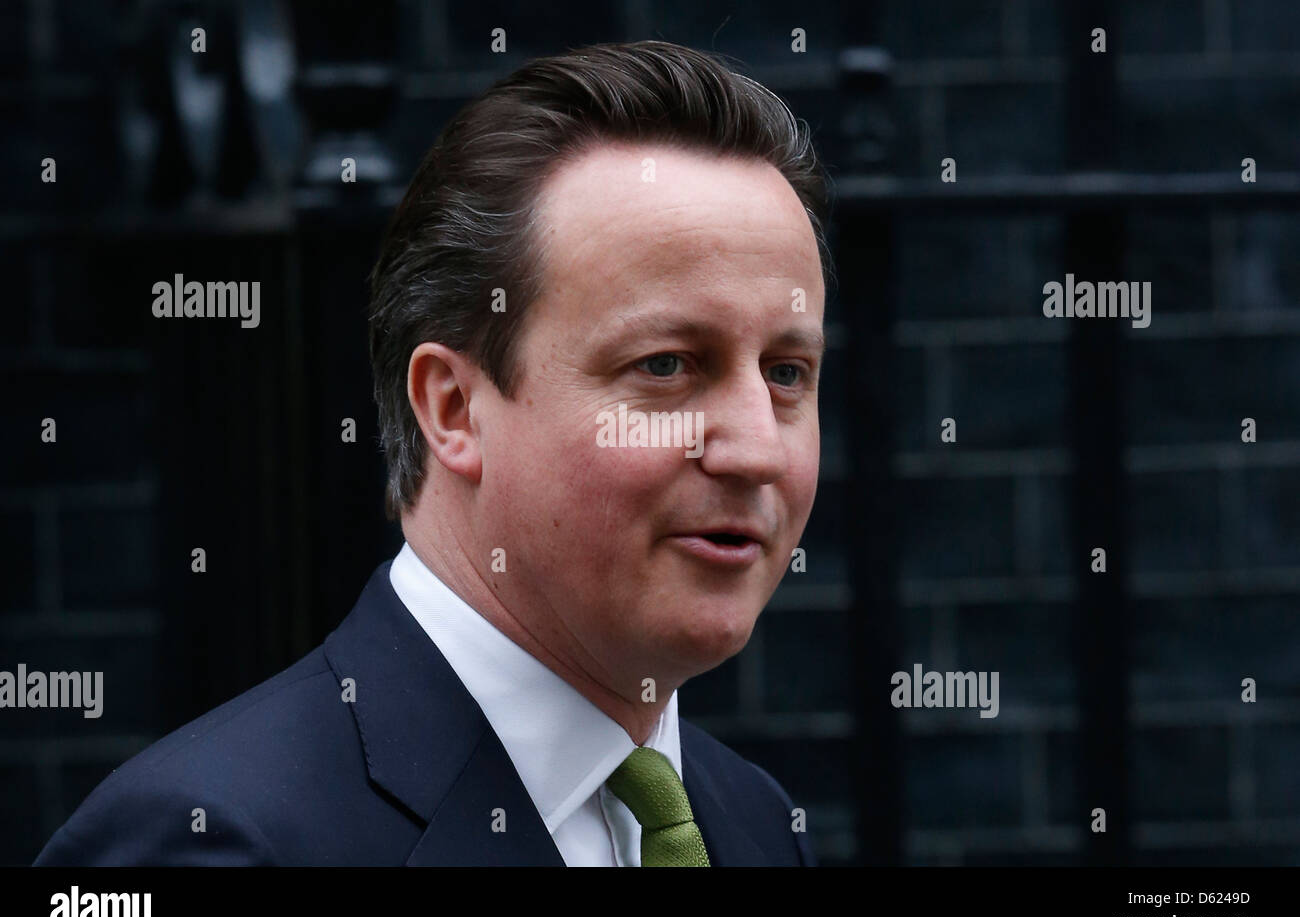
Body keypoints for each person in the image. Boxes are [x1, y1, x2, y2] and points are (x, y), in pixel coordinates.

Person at [35, 39, 832, 867]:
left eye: (786, 372)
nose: (756, 451)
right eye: (665, 365)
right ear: (453, 408)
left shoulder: (755, 825)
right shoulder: (210, 840)